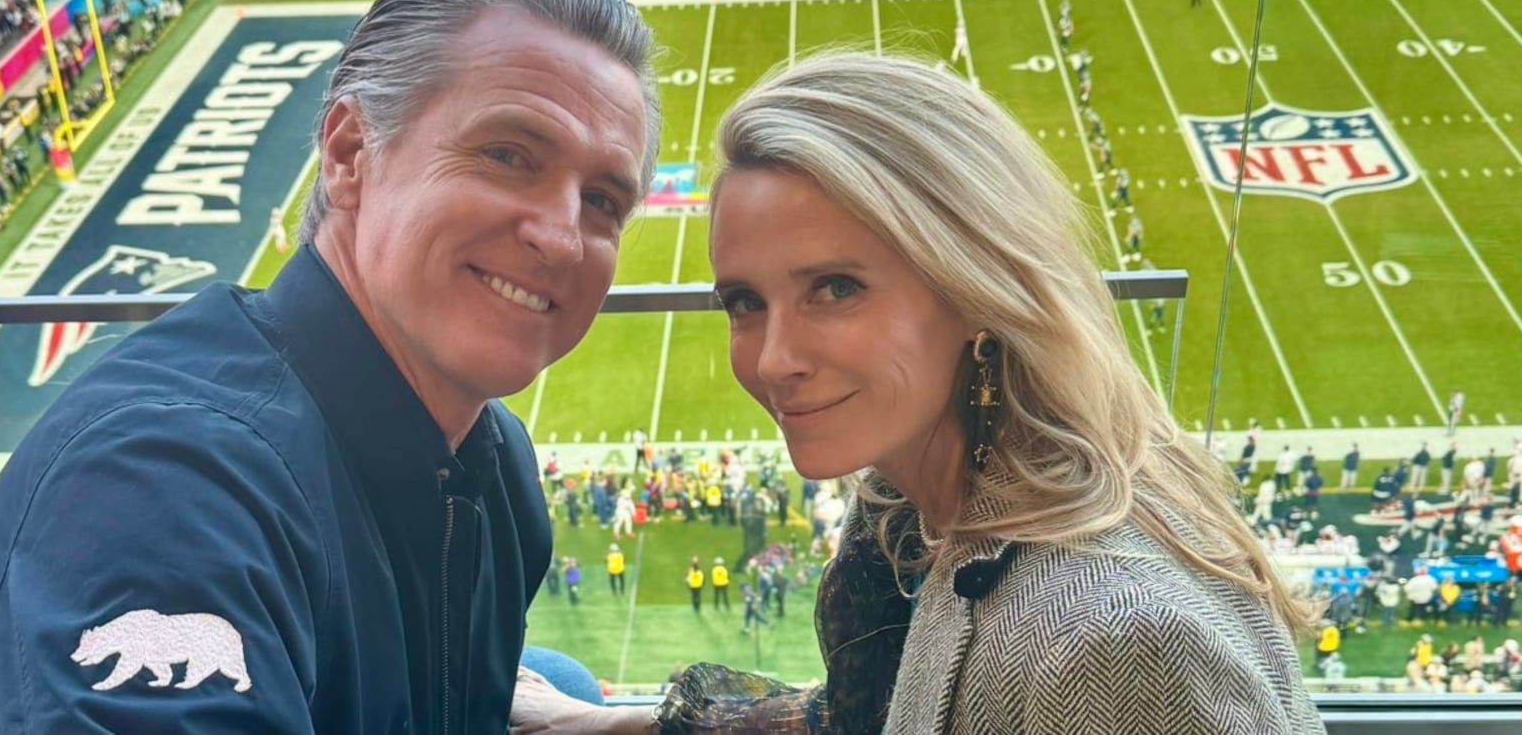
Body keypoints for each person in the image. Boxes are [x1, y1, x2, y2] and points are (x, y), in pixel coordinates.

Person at [0, 0, 660, 734]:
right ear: (349, 155)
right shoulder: (167, 486)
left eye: (602, 200)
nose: (560, 238)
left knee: (559, 682)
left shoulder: (491, 461)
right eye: (508, 155)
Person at [510, 54, 1323, 733]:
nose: (774, 360)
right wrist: (616, 722)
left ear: (974, 286)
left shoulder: (1116, 640)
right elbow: (878, 711)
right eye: (745, 303)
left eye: (836, 288)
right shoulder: (923, 487)